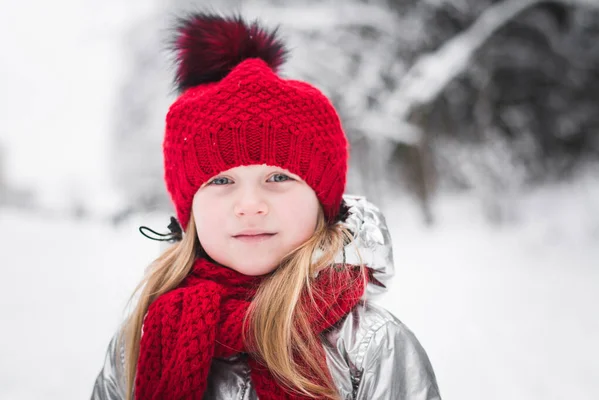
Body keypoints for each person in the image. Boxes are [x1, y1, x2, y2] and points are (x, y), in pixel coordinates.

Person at [91, 12, 441, 400]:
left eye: (278, 178)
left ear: (322, 201)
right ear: (188, 210)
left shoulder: (372, 346)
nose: (251, 205)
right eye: (221, 181)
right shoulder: (144, 341)